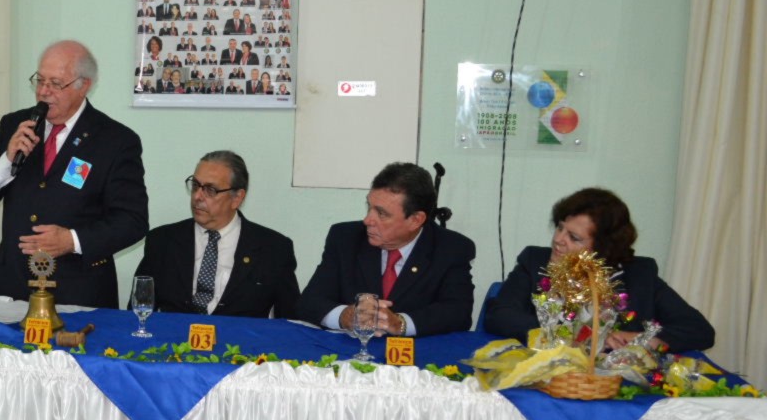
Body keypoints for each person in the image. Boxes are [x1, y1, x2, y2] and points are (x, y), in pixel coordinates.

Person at [0, 40, 148, 308]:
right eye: (40, 80)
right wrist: (7, 158)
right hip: (14, 286)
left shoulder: (115, 140)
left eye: (55, 83)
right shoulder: (16, 124)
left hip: (79, 291)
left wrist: (71, 240)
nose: (43, 91)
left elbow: (132, 221)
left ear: (83, 85)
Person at [484, 187, 715, 351]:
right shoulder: (535, 262)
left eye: (574, 237)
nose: (558, 240)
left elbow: (699, 330)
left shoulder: (639, 275)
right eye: (560, 228)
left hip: (615, 384)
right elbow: (499, 316)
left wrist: (638, 339)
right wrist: (577, 336)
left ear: (603, 247)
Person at [299, 162, 476, 336]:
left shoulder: (452, 249)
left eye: (381, 213)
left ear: (415, 220)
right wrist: (344, 316)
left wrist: (400, 323)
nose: (367, 220)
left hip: (417, 352)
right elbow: (309, 302)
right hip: (350, 349)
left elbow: (458, 313)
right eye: (369, 207)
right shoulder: (345, 238)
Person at [135, 151, 298, 319]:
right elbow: (139, 310)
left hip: (241, 336)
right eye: (195, 185)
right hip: (175, 335)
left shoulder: (274, 249)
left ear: (237, 198)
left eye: (210, 190)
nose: (197, 196)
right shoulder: (162, 241)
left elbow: (290, 321)